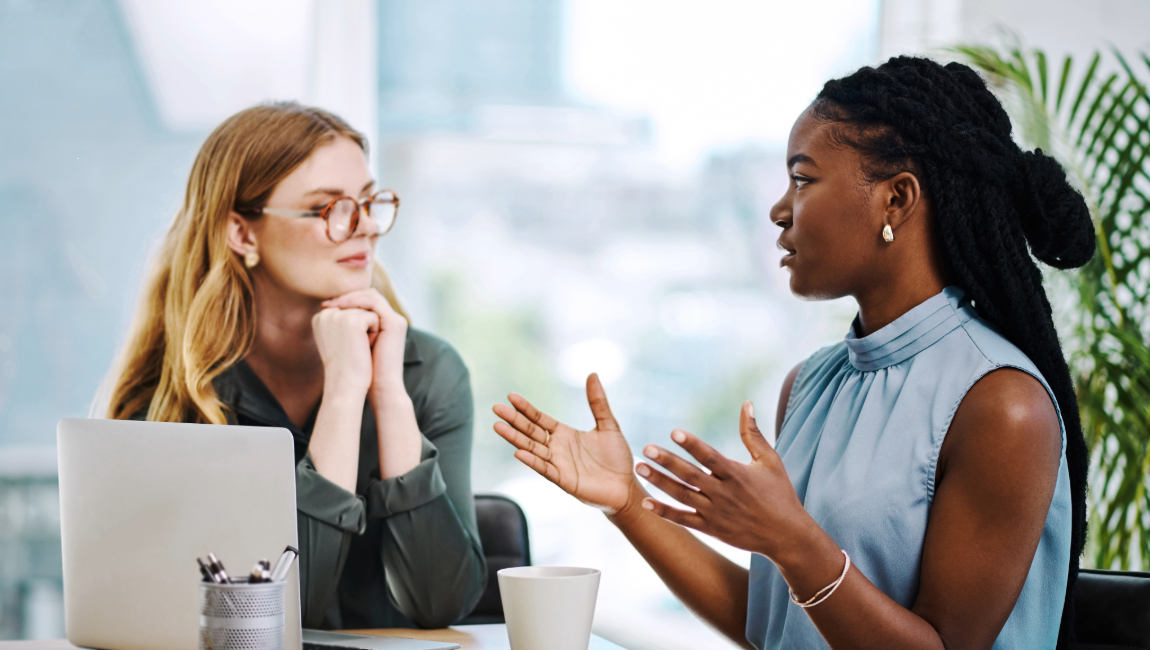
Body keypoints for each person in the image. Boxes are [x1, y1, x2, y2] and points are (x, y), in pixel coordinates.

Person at [494, 57, 1093, 650]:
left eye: (802, 180)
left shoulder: (1003, 406)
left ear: (896, 199)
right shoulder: (809, 384)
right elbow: (774, 625)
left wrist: (794, 542)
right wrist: (627, 501)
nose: (780, 210)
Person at [106, 102, 486, 629]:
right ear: (242, 233)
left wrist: (388, 397)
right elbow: (272, 618)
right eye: (325, 207)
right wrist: (343, 396)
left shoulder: (428, 372)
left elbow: (440, 604)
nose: (365, 227)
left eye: (367, 202)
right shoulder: (179, 391)